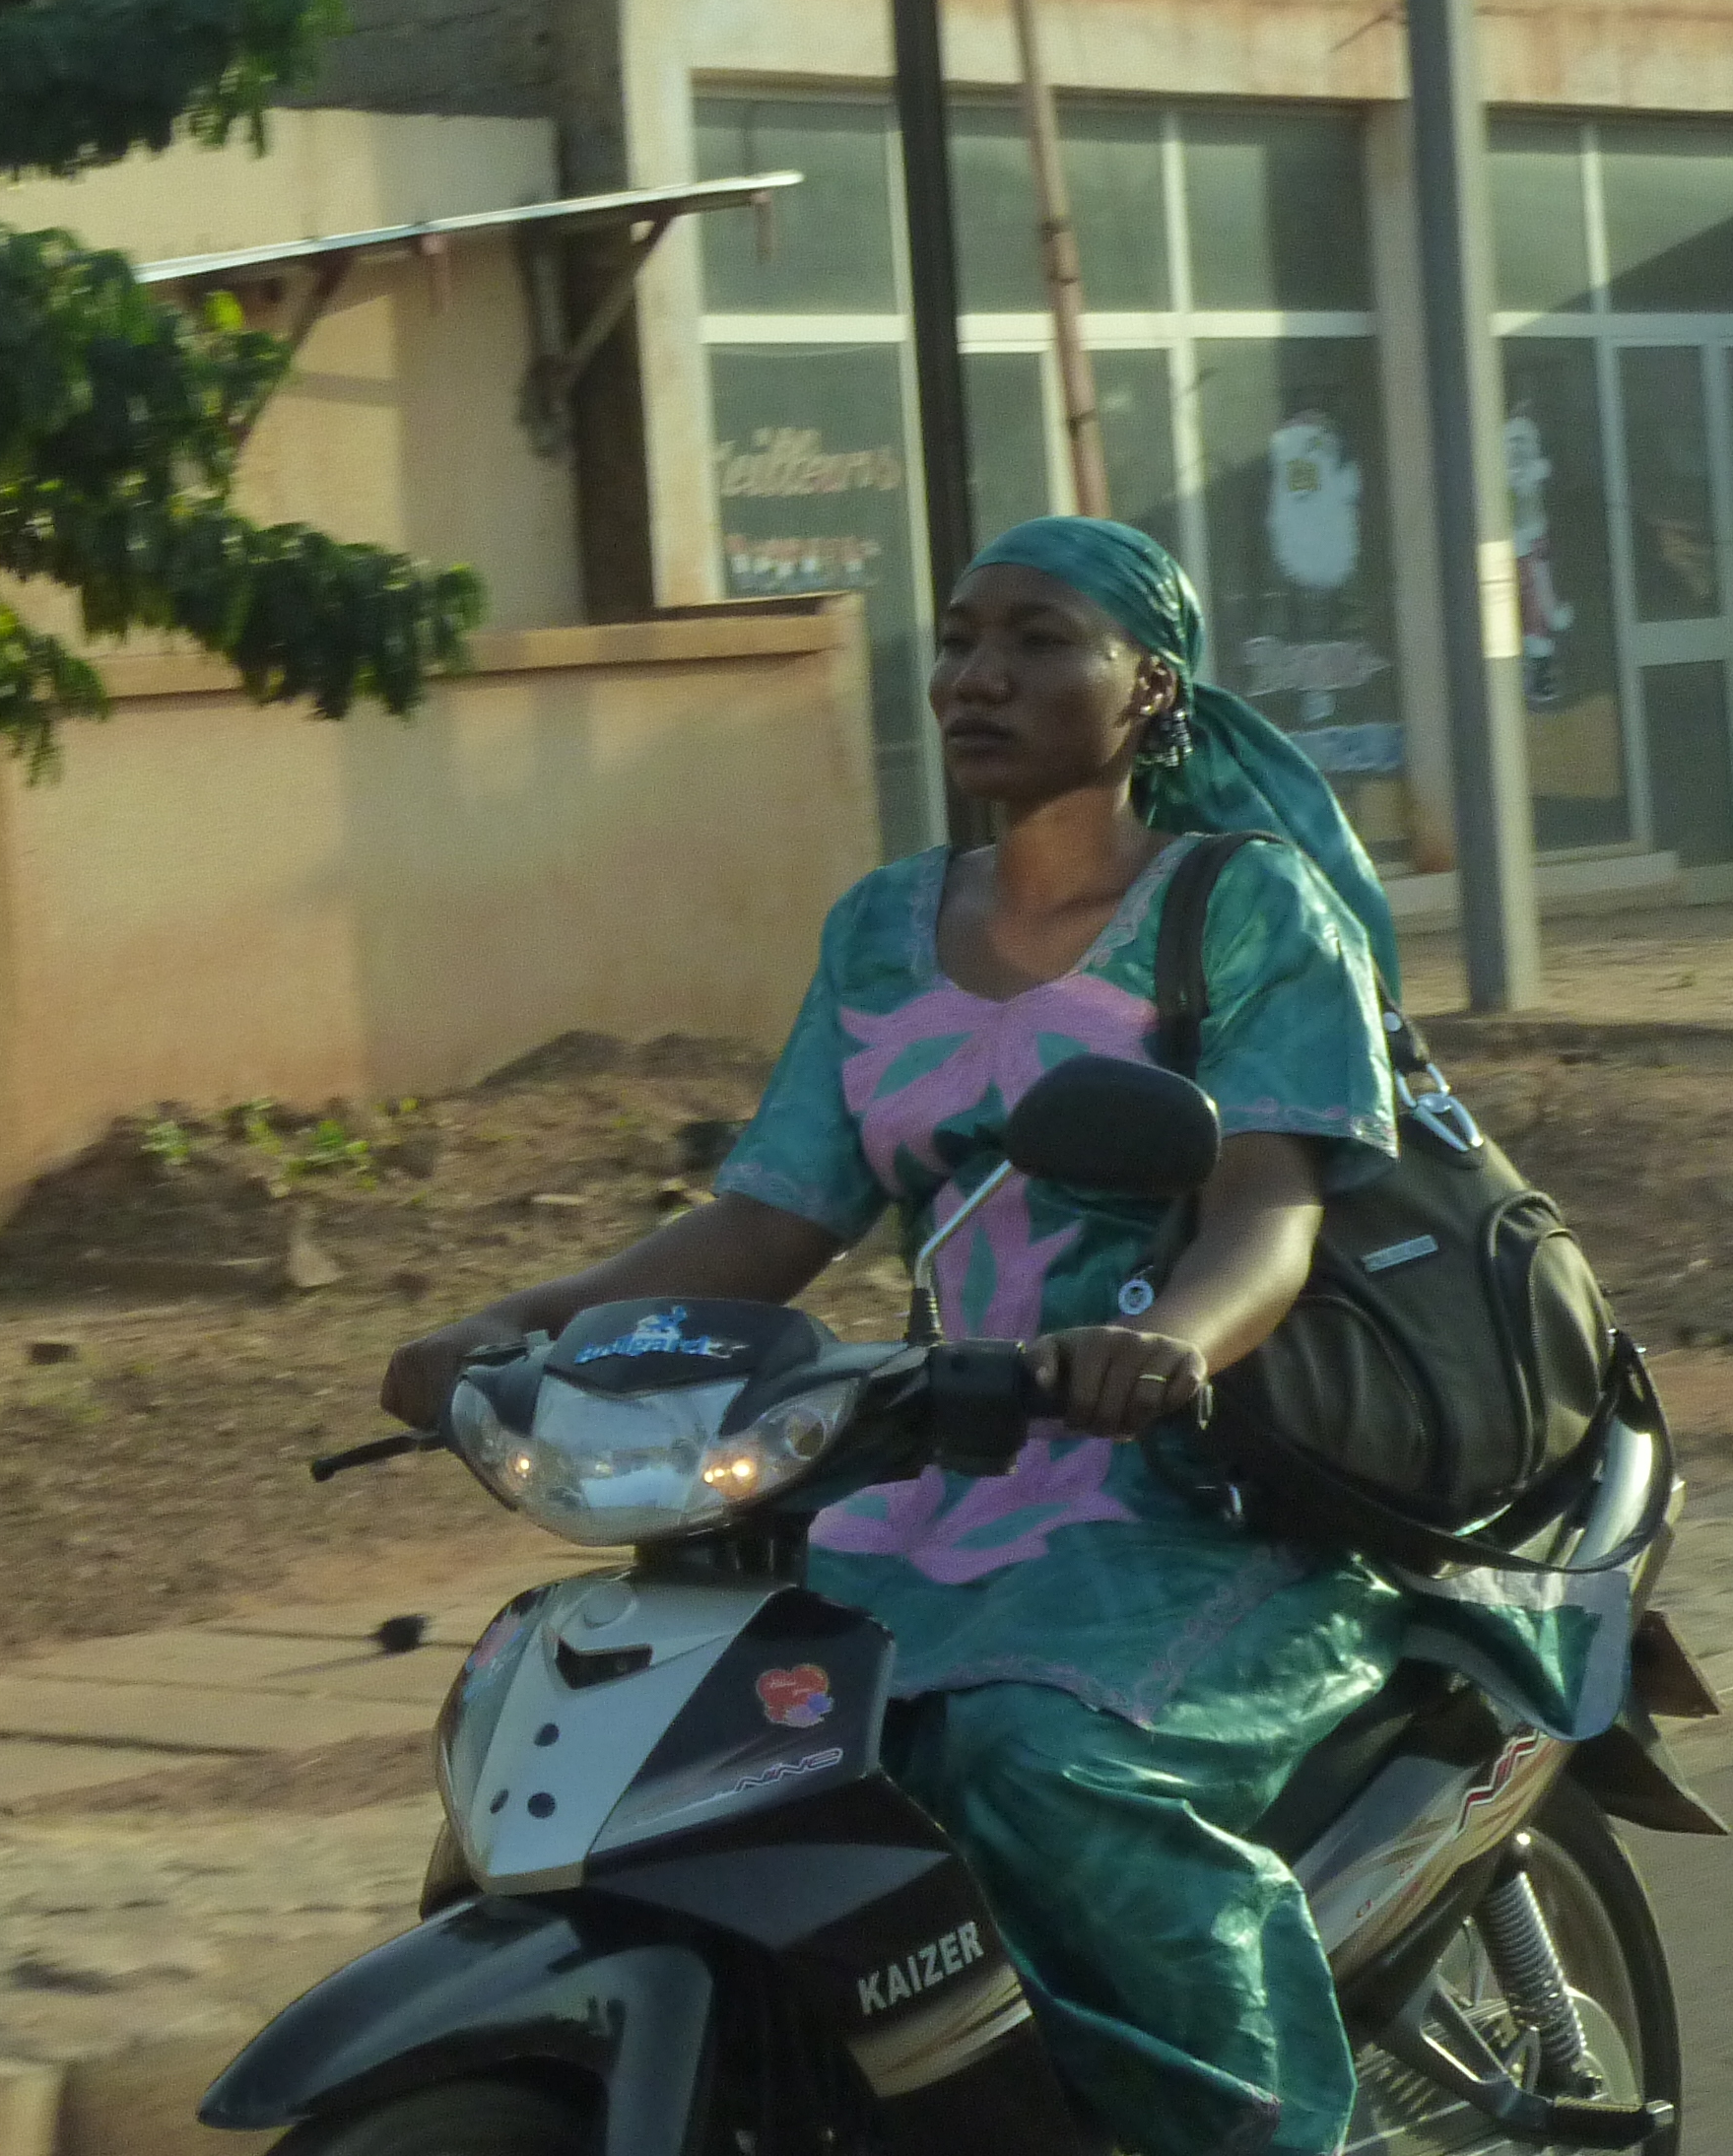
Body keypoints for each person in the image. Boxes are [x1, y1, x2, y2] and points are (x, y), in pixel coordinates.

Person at [382, 514, 1409, 2156]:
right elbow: (772, 1222)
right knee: (680, 1747)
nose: (976, 678)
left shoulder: (1244, 907)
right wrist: (524, 1324)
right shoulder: (880, 927)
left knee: (1026, 1759)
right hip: (928, 1459)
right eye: (957, 640)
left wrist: (1173, 1346)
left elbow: (1265, 1210)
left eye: (1035, 641)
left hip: (1178, 1487)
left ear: (1150, 686)